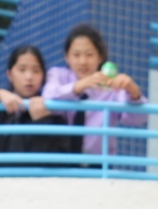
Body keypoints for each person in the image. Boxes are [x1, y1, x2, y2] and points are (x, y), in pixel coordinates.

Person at [42, 24, 145, 159]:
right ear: (67, 57)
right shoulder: (58, 75)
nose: (83, 61)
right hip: (62, 162)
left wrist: (133, 91)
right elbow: (47, 98)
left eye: (89, 55)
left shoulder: (111, 87)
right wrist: (79, 86)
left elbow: (139, 119)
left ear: (100, 57)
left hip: (98, 165)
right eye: (76, 55)